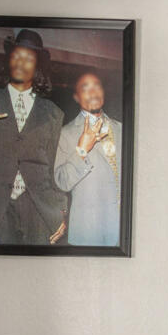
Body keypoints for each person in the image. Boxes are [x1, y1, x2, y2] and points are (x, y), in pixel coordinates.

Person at [0, 28, 68, 245]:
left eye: (28, 58)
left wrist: (62, 211)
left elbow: (55, 167)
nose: (20, 62)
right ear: (8, 60)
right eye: (16, 55)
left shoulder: (54, 113)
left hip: (41, 209)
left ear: (37, 67)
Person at [53, 70, 123, 246]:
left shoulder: (122, 129)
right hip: (90, 231)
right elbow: (61, 181)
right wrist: (82, 150)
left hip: (123, 231)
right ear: (77, 97)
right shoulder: (66, 133)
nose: (93, 92)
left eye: (97, 86)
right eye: (85, 88)